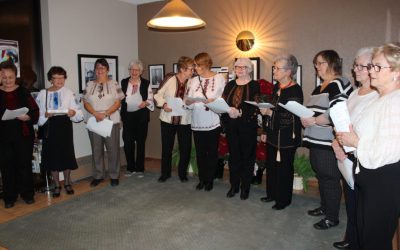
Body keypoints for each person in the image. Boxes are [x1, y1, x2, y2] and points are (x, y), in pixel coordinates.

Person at [336, 43, 400, 250]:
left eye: (377, 67)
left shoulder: (396, 102)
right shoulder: (381, 99)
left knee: (375, 240)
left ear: (397, 73)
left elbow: (384, 152)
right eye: (371, 66)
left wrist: (354, 142)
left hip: (383, 181)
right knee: (365, 234)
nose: (371, 71)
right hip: (369, 177)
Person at [331, 47, 377, 250]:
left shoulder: (378, 96)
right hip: (346, 155)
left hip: (363, 157)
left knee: (363, 206)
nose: (355, 69)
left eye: (360, 66)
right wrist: (337, 142)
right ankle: (351, 237)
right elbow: (344, 122)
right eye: (355, 65)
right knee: (351, 201)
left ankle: (358, 242)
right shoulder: (355, 93)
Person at [301, 50, 352, 230]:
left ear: (332, 63)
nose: (317, 67)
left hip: (329, 142)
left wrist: (314, 119)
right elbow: (312, 111)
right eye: (316, 64)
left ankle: (332, 217)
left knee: (330, 179)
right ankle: (325, 207)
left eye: (320, 63)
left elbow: (340, 111)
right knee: (322, 177)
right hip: (315, 140)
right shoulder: (319, 87)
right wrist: (304, 117)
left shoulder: (340, 82)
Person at [259, 54, 303, 209]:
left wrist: (271, 113)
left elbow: (291, 116)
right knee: (271, 166)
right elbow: (270, 107)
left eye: (278, 68)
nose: (274, 71)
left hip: (286, 138)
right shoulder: (276, 87)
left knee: (284, 168)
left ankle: (283, 200)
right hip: (272, 134)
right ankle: (271, 194)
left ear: (288, 71)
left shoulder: (296, 90)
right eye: (274, 68)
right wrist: (264, 129)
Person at [36, 66, 84, 197]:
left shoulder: (69, 92)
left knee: (66, 155)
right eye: (56, 78)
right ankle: (57, 185)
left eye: (62, 77)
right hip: (50, 127)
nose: (59, 80)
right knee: (53, 157)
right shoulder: (43, 93)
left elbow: (78, 113)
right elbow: (38, 116)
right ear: (50, 79)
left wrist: (73, 113)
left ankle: (67, 182)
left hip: (64, 126)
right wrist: (45, 115)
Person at [0, 62, 39, 208]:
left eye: (10, 77)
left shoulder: (23, 91)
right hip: (3, 136)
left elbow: (35, 110)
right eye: (4, 78)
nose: (8, 81)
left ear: (15, 76)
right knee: (7, 166)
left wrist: (28, 116)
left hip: (23, 134)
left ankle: (27, 194)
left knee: (24, 165)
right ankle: (9, 197)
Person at [185, 52, 225, 191]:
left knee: (212, 153)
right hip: (197, 122)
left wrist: (214, 101)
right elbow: (188, 102)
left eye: (197, 65)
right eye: (195, 65)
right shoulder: (193, 80)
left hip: (212, 121)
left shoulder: (219, 78)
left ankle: (210, 180)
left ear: (205, 65)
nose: (195, 68)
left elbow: (223, 100)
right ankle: (202, 179)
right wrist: (189, 101)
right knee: (200, 153)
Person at [221, 58, 260, 200]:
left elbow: (256, 105)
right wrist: (227, 111)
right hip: (231, 126)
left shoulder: (255, 85)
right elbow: (224, 102)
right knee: (234, 158)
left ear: (249, 69)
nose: (240, 69)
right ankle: (234, 186)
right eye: (237, 67)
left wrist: (241, 112)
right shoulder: (230, 84)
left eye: (243, 67)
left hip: (247, 127)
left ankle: (245, 188)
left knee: (247, 158)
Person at [83, 58, 124, 187]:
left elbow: (118, 103)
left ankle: (114, 175)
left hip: (110, 121)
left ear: (107, 70)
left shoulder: (114, 84)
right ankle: (98, 175)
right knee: (96, 150)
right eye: (97, 68)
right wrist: (96, 114)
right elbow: (85, 102)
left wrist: (105, 114)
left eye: (102, 68)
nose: (99, 70)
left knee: (113, 150)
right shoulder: (89, 84)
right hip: (94, 121)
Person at [154, 56, 194, 183]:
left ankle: (183, 174)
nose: (192, 72)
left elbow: (194, 99)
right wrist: (164, 105)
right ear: (182, 69)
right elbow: (157, 95)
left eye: (193, 69)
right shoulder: (170, 78)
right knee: (167, 147)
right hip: (168, 119)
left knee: (185, 147)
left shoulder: (193, 82)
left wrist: (190, 103)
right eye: (190, 69)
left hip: (185, 120)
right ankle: (165, 174)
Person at [120, 60, 154, 178]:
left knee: (140, 143)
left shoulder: (146, 83)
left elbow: (150, 99)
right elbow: (120, 98)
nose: (134, 72)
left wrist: (145, 103)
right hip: (128, 116)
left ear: (141, 71)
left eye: (136, 70)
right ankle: (130, 167)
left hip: (141, 116)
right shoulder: (124, 82)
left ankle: (140, 168)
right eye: (131, 69)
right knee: (128, 142)